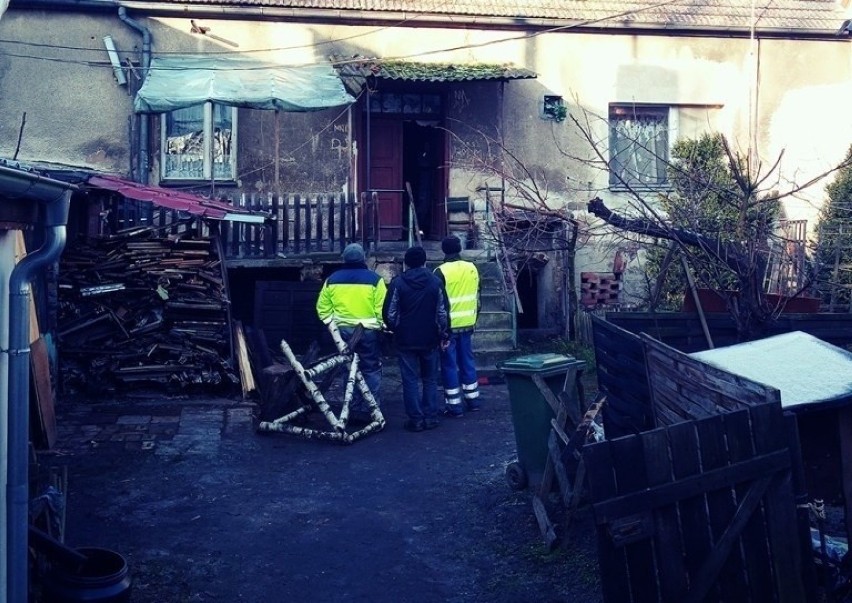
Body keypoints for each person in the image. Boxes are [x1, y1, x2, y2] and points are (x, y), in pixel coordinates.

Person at [383, 245, 450, 432]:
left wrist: (396, 328)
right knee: (429, 379)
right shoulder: (435, 282)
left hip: (405, 338)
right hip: (430, 338)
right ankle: (431, 417)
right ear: (424, 261)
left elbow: (390, 313)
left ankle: (416, 419)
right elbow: (442, 313)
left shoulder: (398, 282)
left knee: (410, 380)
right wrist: (444, 333)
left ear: (406, 263)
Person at [316, 243, 387, 419]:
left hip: (341, 333)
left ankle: (353, 408)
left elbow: (322, 308)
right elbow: (382, 309)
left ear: (344, 259)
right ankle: (371, 409)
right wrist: (381, 326)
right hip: (368, 332)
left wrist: (331, 325)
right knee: (370, 369)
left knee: (348, 369)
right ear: (363, 258)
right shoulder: (375, 280)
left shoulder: (332, 279)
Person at [435, 235, 481, 417]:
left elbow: (438, 303)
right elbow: (478, 297)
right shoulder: (472, 268)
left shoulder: (440, 272)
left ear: (444, 250)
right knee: (467, 362)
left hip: (449, 327)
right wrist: (474, 318)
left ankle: (454, 406)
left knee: (449, 365)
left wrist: (440, 329)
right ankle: (473, 400)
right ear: (460, 248)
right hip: (468, 323)